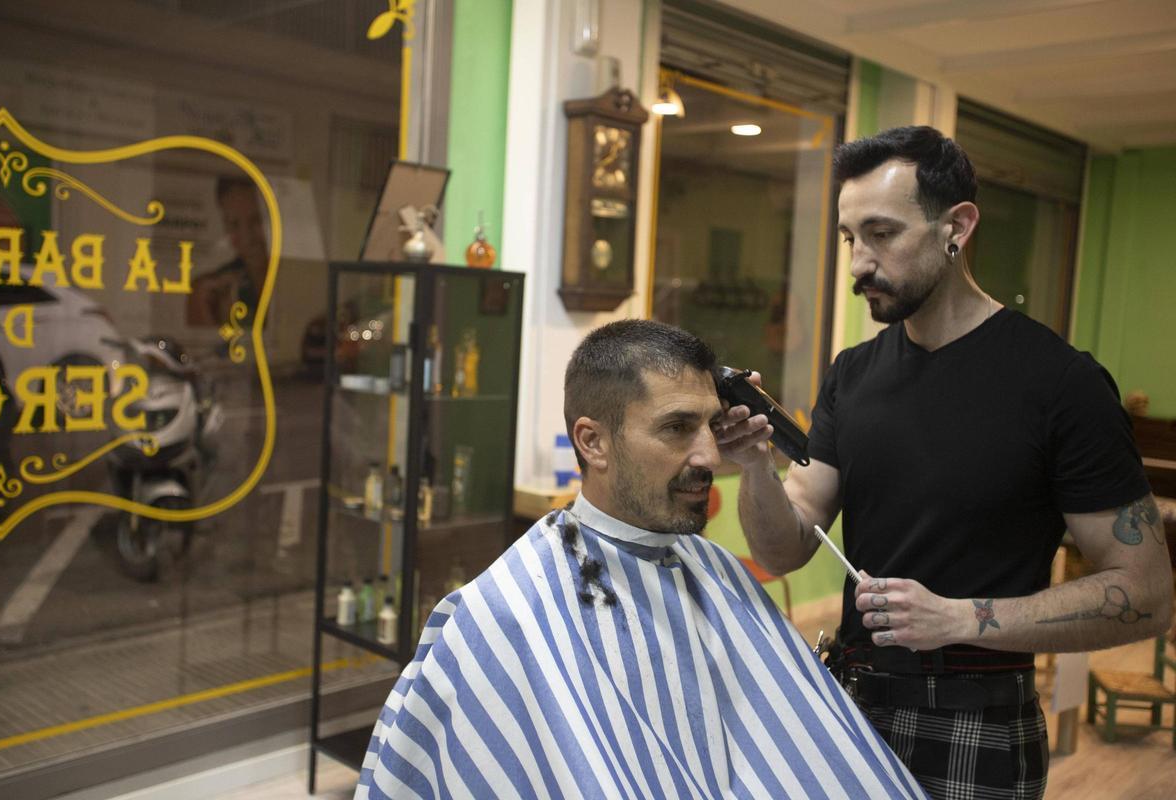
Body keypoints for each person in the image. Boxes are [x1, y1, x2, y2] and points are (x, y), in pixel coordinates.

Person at [715, 126, 1173, 800]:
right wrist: (755, 464)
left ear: (956, 226)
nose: (857, 266)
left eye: (881, 233)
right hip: (851, 701)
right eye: (849, 239)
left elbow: (1147, 594)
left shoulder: (1060, 384)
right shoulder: (853, 375)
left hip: (978, 725)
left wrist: (961, 619)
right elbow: (785, 549)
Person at [354, 319, 927, 799]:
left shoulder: (717, 573)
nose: (707, 454)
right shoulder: (500, 614)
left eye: (710, 424)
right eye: (677, 428)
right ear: (592, 442)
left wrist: (755, 462)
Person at [186, 176, 269, 328]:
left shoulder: (298, 280)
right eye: (234, 224)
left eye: (256, 220)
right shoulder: (210, 293)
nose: (247, 238)